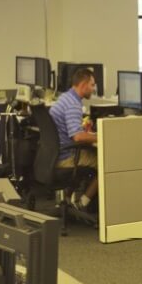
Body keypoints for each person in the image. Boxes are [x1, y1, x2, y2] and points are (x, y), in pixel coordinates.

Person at [49, 67, 99, 211]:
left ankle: (67, 199)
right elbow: (77, 137)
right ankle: (83, 203)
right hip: (66, 157)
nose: (93, 89)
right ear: (83, 85)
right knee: (105, 162)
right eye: (92, 85)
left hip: (55, 154)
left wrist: (86, 132)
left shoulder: (65, 97)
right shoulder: (73, 104)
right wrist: (100, 136)